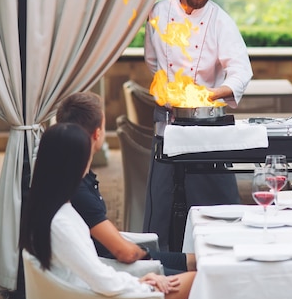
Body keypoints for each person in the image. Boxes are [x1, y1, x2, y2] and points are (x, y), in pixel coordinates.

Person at [144, 0, 253, 249]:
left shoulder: (220, 21)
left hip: (207, 122)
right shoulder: (159, 13)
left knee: (214, 200)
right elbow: (153, 61)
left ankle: (219, 253)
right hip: (167, 119)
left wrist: (212, 94)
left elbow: (241, 70)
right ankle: (164, 262)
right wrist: (168, 91)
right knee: (163, 196)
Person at [19, 123, 195, 299]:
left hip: (94, 293)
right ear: (73, 166)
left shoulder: (48, 210)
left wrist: (140, 281)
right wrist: (145, 287)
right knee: (198, 280)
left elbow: (96, 272)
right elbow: (101, 280)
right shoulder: (60, 222)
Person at [57, 92, 195, 274]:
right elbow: (123, 253)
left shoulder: (76, 175)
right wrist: (147, 256)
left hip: (124, 258)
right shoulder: (78, 189)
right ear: (98, 134)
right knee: (201, 276)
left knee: (199, 261)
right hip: (116, 269)